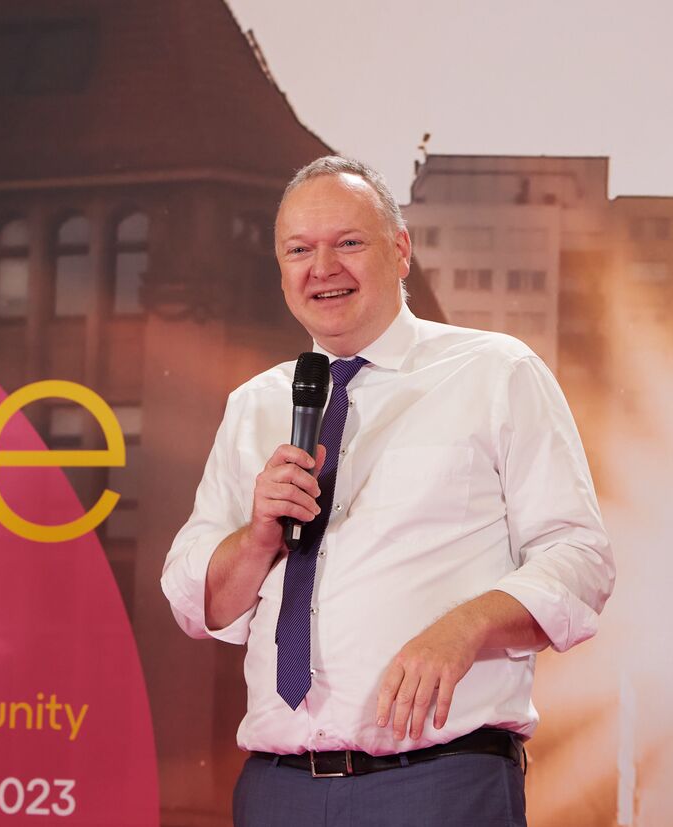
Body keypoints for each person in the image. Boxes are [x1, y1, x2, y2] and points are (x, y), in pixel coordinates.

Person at [161, 156, 613, 826]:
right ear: (282, 269)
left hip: (438, 781)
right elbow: (199, 605)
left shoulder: (495, 371)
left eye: (348, 242)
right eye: (299, 249)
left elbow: (580, 560)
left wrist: (466, 626)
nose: (323, 267)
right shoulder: (255, 405)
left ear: (399, 250)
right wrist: (258, 536)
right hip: (277, 788)